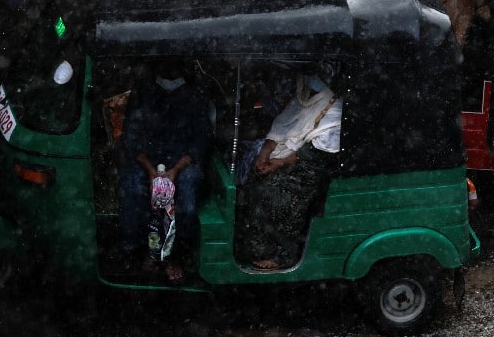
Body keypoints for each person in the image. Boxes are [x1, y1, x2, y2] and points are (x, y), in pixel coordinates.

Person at [118, 60, 214, 283]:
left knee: (186, 202)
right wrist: (152, 172)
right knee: (133, 190)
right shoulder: (144, 92)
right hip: (147, 161)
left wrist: (174, 171)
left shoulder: (195, 95)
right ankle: (144, 250)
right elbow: (131, 138)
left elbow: (200, 141)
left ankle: (174, 254)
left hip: (182, 163)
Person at [239, 70, 342, 270]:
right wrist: (264, 156)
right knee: (250, 182)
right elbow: (279, 128)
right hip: (284, 159)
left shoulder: (334, 109)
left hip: (309, 170)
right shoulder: (303, 100)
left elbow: (314, 154)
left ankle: (283, 254)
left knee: (275, 195)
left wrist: (277, 164)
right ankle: (256, 247)